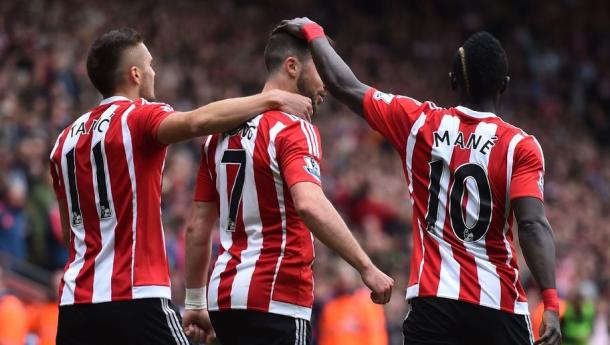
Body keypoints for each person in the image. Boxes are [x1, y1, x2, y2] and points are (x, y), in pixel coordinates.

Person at [276, 18, 562, 345]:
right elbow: (532, 225)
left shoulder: (419, 123)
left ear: (453, 81)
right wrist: (551, 303)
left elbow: (345, 86)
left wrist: (313, 32)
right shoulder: (520, 146)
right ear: (505, 85)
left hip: (433, 305)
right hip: (499, 308)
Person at [48, 27, 313, 345]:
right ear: (135, 74)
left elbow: (70, 234)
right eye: (149, 65)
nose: (153, 71)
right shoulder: (140, 117)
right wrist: (271, 98)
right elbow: (196, 122)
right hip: (135, 296)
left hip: (76, 303)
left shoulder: (63, 141)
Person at [181, 29, 394, 345]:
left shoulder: (217, 135)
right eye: (321, 70)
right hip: (277, 297)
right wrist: (366, 267)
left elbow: (197, 228)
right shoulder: (294, 128)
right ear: (292, 67)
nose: (327, 85)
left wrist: (196, 302)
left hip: (224, 300)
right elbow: (309, 204)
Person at [318, 260, 388, 345]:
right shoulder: (329, 306)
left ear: (355, 277)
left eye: (347, 274)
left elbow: (376, 336)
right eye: (340, 275)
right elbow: (325, 338)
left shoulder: (368, 302)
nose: (343, 279)